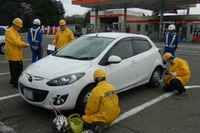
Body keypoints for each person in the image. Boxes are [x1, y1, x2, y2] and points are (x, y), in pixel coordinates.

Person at [82, 69, 120, 133]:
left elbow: (91, 109)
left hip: (104, 117)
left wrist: (87, 114)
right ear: (105, 78)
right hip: (115, 114)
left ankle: (95, 126)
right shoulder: (111, 86)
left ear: (94, 80)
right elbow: (117, 100)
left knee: (84, 118)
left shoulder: (95, 90)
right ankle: (107, 121)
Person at [5, 18, 30, 88]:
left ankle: (13, 80)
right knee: (15, 69)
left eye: (19, 27)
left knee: (17, 68)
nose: (19, 28)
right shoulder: (10, 32)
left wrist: (23, 46)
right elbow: (15, 42)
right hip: (13, 54)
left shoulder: (15, 31)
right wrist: (24, 44)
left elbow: (17, 43)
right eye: (18, 27)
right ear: (14, 25)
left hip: (16, 53)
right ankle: (15, 83)